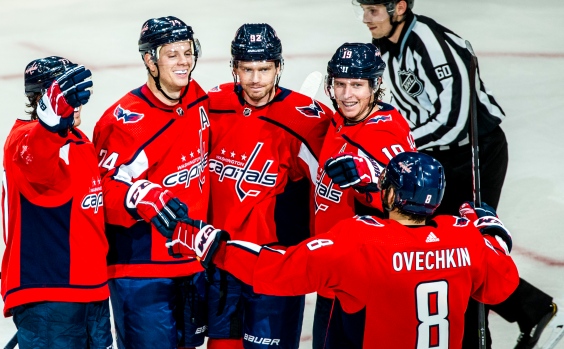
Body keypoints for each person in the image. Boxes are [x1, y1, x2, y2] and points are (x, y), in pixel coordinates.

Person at [351, 0, 557, 347]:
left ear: (398, 7)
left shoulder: (432, 42)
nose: (365, 19)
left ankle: (483, 336)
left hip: (474, 153)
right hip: (436, 155)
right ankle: (530, 308)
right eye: (364, 10)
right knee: (438, 243)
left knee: (463, 244)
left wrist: (399, 149)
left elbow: (454, 120)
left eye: (373, 11)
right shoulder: (385, 47)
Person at [165, 151, 521, 349]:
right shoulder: (466, 240)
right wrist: (493, 230)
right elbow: (502, 285)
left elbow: (276, 270)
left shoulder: (360, 243)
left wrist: (212, 244)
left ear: (393, 195)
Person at [205, 23, 333, 349]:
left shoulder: (307, 120)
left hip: (274, 266)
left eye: (264, 69)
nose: (255, 79)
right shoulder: (211, 106)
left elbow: (331, 191)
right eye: (247, 69)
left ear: (279, 67)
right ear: (234, 68)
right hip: (220, 262)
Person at [92, 16, 209, 349]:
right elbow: (98, 192)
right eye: (172, 54)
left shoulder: (198, 100)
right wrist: (135, 195)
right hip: (140, 271)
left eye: (187, 52)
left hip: (190, 261)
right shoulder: (125, 121)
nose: (183, 61)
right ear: (150, 59)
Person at [1, 56, 112, 348]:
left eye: (72, 94)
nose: (72, 102)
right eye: (62, 95)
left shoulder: (80, 143)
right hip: (50, 295)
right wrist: (51, 121)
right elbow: (36, 161)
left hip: (93, 292)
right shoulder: (23, 138)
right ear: (41, 98)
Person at [311, 42, 416, 348]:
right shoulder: (345, 119)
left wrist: (369, 178)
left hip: (360, 278)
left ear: (375, 86)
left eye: (357, 85)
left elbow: (403, 199)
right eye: (340, 85)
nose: (346, 95)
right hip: (334, 269)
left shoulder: (381, 133)